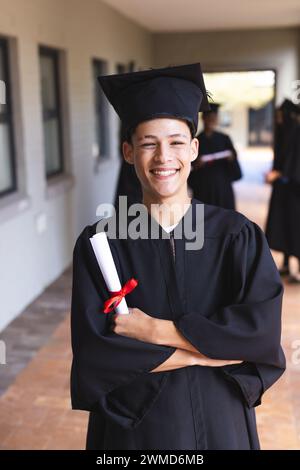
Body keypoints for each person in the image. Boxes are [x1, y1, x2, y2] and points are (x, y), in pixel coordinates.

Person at [70, 63, 286, 450]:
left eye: (175, 141)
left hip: (221, 420)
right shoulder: (101, 243)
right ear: (128, 152)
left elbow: (259, 338)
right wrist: (206, 353)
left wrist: (155, 332)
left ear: (194, 148)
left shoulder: (238, 236)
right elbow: (96, 353)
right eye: (148, 143)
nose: (162, 157)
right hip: (136, 426)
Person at [265, 99, 300, 283]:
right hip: (283, 190)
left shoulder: (296, 132)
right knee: (284, 226)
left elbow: (296, 164)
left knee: (295, 228)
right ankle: (286, 264)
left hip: (295, 191)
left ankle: (299, 270)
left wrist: (279, 174)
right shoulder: (284, 132)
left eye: (280, 115)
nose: (277, 119)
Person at [188, 103, 242, 210]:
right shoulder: (196, 141)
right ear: (203, 118)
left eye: (214, 117)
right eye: (209, 117)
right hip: (202, 189)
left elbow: (236, 171)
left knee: (226, 222)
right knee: (201, 222)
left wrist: (231, 159)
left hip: (223, 189)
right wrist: (196, 164)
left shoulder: (225, 139)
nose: (212, 120)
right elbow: (189, 168)